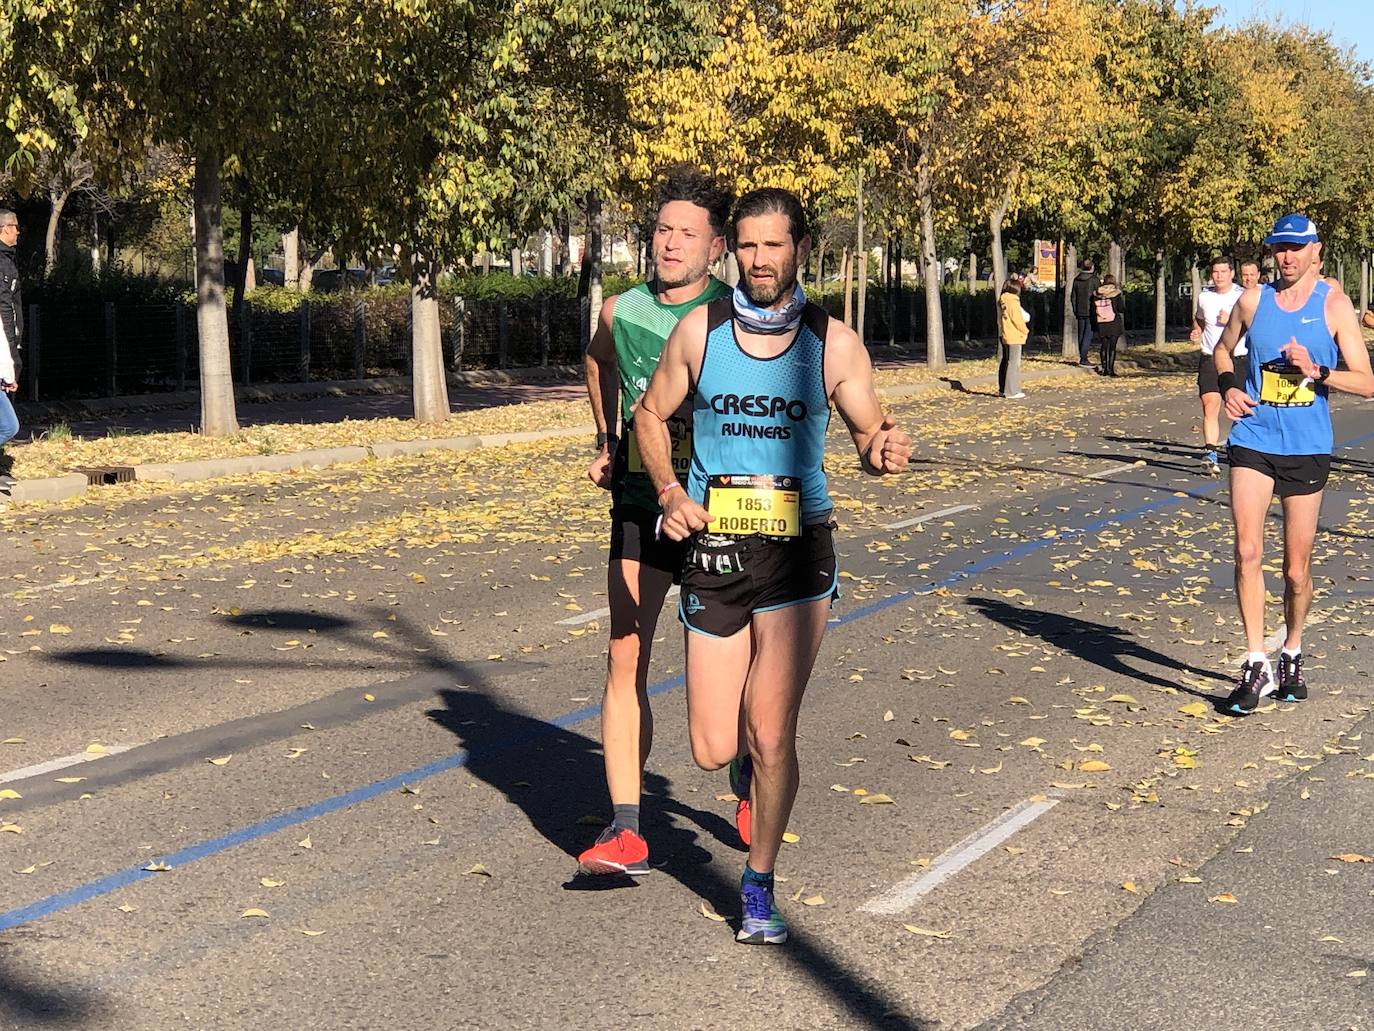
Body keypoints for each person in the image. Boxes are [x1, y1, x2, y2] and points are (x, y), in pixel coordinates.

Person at [636, 188, 911, 944]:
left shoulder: (834, 343)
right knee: (713, 745)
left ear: (800, 250)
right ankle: (741, 776)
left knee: (771, 728)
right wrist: (667, 487)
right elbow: (651, 415)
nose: (760, 260)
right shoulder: (700, 330)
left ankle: (757, 886)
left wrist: (883, 452)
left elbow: (869, 434)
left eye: (775, 246)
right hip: (715, 549)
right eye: (749, 247)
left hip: (798, 554)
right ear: (734, 251)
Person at [576, 169, 734, 876]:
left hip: (727, 508)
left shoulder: (739, 313)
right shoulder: (621, 311)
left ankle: (748, 776)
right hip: (645, 502)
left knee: (730, 685)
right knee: (623, 655)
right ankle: (627, 826)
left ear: (717, 247)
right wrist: (607, 440)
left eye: (686, 234)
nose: (670, 244)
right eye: (662, 230)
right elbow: (597, 360)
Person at [1213, 214, 1374, 714]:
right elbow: (1222, 350)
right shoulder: (1253, 300)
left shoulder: (1334, 304)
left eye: (1295, 248)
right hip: (1254, 439)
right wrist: (1229, 387)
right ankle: (1255, 661)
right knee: (1245, 551)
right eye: (1279, 248)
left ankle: (1292, 650)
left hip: (1306, 447)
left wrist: (1319, 371)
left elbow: (1368, 381)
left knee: (1296, 571)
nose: (1286, 257)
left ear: (1315, 252)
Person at [1189, 256, 1246, 475]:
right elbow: (1199, 318)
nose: (1219, 276)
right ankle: (1210, 453)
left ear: (1232, 273)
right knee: (1210, 405)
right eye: (1215, 272)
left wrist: (1231, 319)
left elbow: (1253, 324)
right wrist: (1197, 330)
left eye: (1223, 272)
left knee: (1236, 408)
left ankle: (1237, 448)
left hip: (1236, 358)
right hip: (1210, 358)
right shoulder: (1205, 297)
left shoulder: (1242, 296)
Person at [0, 210, 23, 486]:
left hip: (7, 347)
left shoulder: (8, 259)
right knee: (8, 422)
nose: (18, 232)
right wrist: (10, 358)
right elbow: (5, 308)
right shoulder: (2, 263)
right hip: (4, 347)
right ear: (5, 228)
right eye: (16, 227)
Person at [997, 276, 1028, 398]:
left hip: (1004, 333)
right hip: (1014, 335)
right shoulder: (1013, 301)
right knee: (1013, 363)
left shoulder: (1002, 300)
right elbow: (1017, 319)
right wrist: (1025, 330)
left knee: (1005, 361)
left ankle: (1003, 388)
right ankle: (1012, 390)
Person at [1090, 273, 1124, 376]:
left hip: (1101, 322)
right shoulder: (1116, 294)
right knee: (1112, 347)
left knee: (1104, 345)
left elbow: (1092, 308)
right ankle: (1111, 369)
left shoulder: (1097, 294)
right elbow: (1121, 308)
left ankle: (1104, 369)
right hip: (1114, 322)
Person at [1070, 259, 1100, 366]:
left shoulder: (1076, 280)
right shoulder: (1094, 280)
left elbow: (1073, 296)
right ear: (1092, 267)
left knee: (1081, 333)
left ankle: (1082, 356)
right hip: (1091, 310)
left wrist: (1075, 309)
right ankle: (1084, 357)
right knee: (1088, 334)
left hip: (1079, 310)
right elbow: (1098, 294)